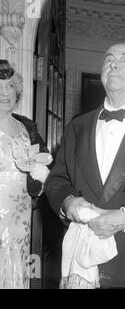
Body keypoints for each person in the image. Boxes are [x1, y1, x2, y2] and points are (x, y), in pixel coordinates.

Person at [44, 43, 125, 288]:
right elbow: (57, 179)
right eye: (108, 60)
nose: (113, 64)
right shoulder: (77, 126)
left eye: (124, 60)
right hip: (83, 264)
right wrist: (67, 201)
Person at [0, 60, 50, 289]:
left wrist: (39, 183)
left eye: (10, 86)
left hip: (20, 213)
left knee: (17, 265)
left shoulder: (26, 126)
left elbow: (45, 164)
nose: (4, 93)